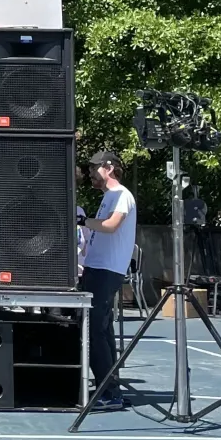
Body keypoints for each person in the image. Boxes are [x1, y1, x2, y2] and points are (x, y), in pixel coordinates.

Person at [80, 147, 138, 409]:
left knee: (96, 330)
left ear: (109, 168)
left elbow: (112, 226)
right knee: (101, 329)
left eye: (95, 168)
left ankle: (109, 392)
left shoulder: (121, 195)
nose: (91, 173)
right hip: (97, 268)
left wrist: (82, 221)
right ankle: (109, 386)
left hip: (107, 270)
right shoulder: (109, 197)